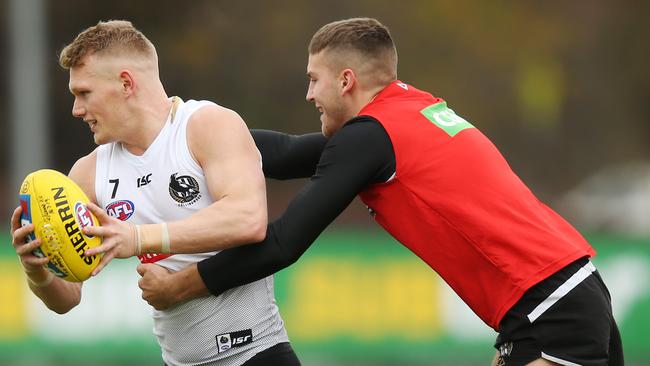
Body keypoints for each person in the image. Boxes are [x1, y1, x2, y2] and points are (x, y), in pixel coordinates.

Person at [75, 18, 622, 366]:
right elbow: (289, 152)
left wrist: (186, 285)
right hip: (574, 289)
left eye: (314, 80)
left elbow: (283, 242)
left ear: (346, 82)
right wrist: (184, 133)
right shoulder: (404, 113)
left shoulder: (370, 138)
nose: (308, 93)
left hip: (548, 309)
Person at [9, 20, 301, 366]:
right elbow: (68, 298)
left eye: (84, 93)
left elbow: (247, 219)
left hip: (255, 354)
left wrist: (138, 238)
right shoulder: (89, 172)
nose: (76, 110)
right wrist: (39, 270)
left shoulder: (206, 125)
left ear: (126, 83)